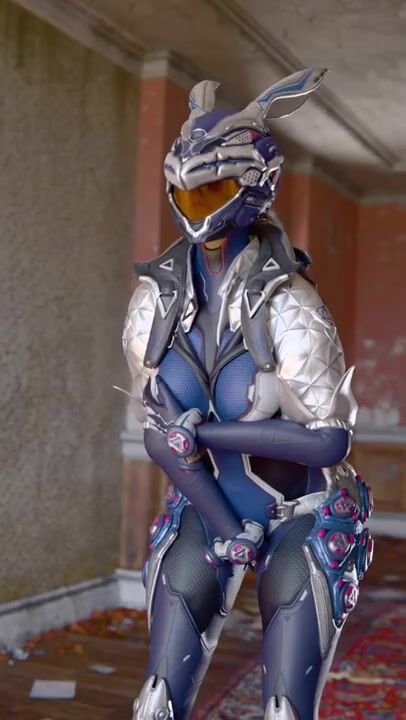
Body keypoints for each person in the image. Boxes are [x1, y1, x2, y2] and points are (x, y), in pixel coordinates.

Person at [122, 69, 374, 720]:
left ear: (254, 185)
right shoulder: (154, 300)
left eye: (213, 188)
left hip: (303, 512)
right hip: (208, 504)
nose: (196, 204)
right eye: (187, 189)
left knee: (286, 706)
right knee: (158, 697)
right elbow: (154, 430)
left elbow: (327, 441)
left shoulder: (291, 303)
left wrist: (202, 433)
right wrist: (228, 528)